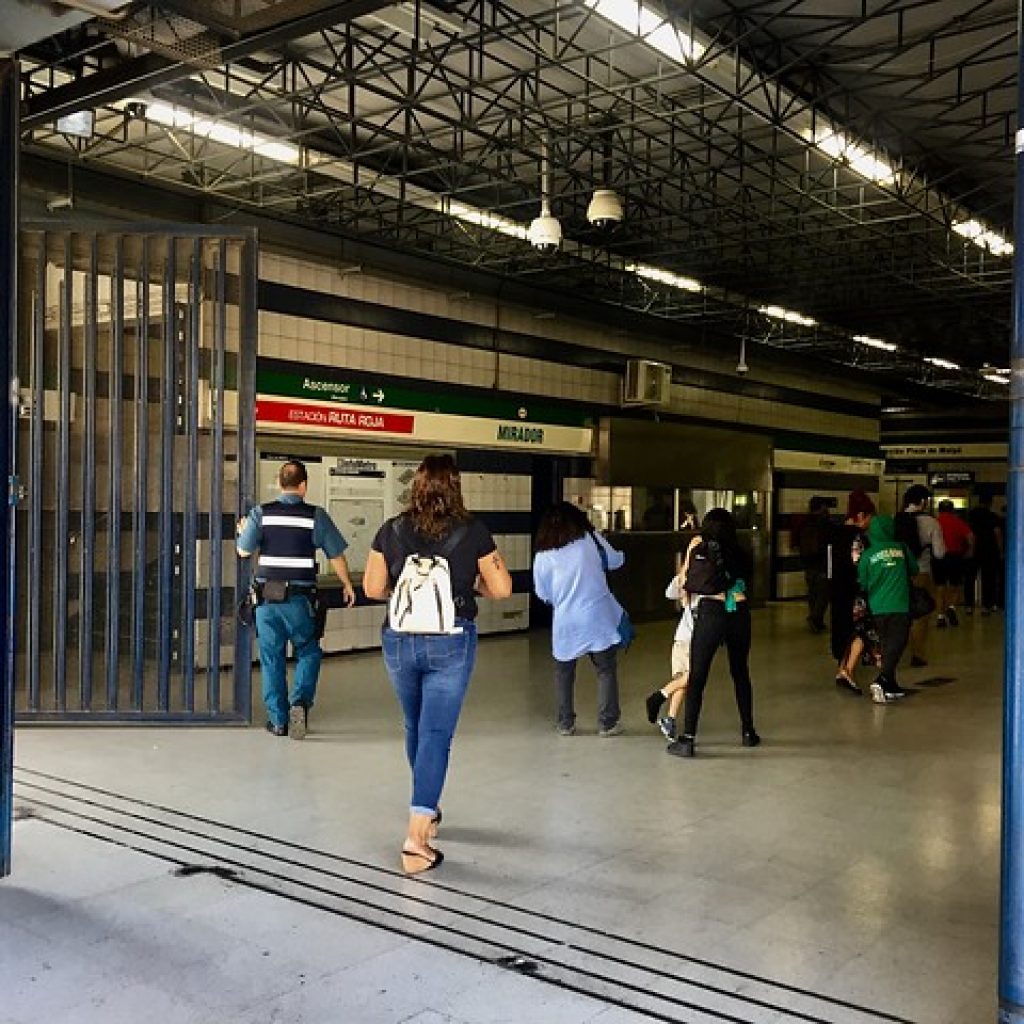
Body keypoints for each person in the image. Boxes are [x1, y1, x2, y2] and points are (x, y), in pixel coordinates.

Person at [363, 454, 512, 875]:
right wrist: (468, 585)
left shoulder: (391, 529)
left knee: (415, 728)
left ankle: (427, 807)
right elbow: (502, 588)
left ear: (417, 485)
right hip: (451, 639)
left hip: (399, 639)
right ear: (456, 486)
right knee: (436, 734)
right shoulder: (473, 531)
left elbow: (374, 587)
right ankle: (415, 838)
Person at [236, 459, 356, 739]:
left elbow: (243, 552)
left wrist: (243, 531)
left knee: (271, 658)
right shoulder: (315, 516)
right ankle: (300, 703)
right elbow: (336, 554)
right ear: (304, 486)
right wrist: (347, 584)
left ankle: (278, 721)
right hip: (299, 602)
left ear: (280, 484)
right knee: (309, 651)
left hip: (267, 602)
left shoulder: (260, 514)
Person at [666, 508, 759, 758]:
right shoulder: (742, 552)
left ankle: (687, 739)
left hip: (711, 612)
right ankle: (748, 731)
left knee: (698, 675)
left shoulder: (701, 550)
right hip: (739, 612)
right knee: (740, 672)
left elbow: (688, 582)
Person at [533, 501, 627, 739]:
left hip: (566, 620)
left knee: (564, 672)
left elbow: (543, 593)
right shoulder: (591, 539)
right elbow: (615, 560)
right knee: (605, 669)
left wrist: (563, 599)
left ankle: (565, 723)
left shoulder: (544, 554)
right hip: (598, 617)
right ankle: (607, 723)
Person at [857, 512, 917, 704]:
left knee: (886, 644)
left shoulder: (867, 555)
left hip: (878, 607)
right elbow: (914, 570)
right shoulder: (901, 547)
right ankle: (882, 680)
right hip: (899, 604)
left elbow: (863, 582)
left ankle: (891, 684)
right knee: (897, 643)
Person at [829, 490, 876, 695]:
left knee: (842, 628)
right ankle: (847, 670)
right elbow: (860, 566)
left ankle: (842, 669)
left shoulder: (835, 534)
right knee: (860, 629)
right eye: (869, 518)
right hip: (854, 591)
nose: (870, 523)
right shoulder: (857, 538)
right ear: (860, 515)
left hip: (836, 588)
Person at [643, 563, 695, 739]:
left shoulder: (692, 583)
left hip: (682, 639)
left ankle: (670, 719)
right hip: (690, 642)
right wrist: (682, 575)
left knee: (683, 681)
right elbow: (669, 593)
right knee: (691, 677)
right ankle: (659, 696)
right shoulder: (698, 584)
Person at [896, 484, 945, 667]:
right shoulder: (931, 522)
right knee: (920, 614)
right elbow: (940, 553)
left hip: (898, 572)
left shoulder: (897, 519)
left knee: (901, 614)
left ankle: (896, 652)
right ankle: (917, 654)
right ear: (923, 501)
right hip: (921, 571)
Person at [793, 496, 831, 633]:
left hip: (808, 563)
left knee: (813, 592)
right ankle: (816, 618)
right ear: (821, 507)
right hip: (822, 562)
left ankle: (817, 620)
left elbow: (796, 542)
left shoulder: (803, 522)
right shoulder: (824, 522)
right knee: (824, 593)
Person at [934, 500, 973, 627]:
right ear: (952, 510)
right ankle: (951, 608)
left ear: (939, 510)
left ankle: (940, 617)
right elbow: (971, 537)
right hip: (955, 556)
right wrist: (969, 551)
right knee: (955, 586)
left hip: (939, 557)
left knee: (940, 588)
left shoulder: (935, 522)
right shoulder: (958, 522)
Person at [967, 493, 1004, 614]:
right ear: (990, 503)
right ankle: (986, 606)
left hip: (972, 549)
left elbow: (967, 531)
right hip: (989, 550)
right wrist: (1000, 550)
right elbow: (997, 533)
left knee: (970, 578)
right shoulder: (993, 516)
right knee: (989, 578)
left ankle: (969, 605)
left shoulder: (970, 515)